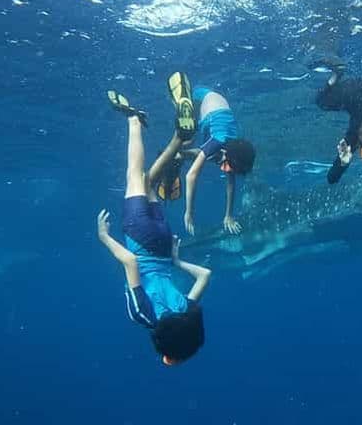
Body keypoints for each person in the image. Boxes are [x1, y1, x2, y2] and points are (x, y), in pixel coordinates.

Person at [97, 90, 212, 366]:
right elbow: (131, 261)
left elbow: (205, 275)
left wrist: (175, 260)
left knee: (147, 182)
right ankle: (134, 120)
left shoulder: (186, 311)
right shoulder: (144, 316)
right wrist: (104, 237)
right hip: (139, 235)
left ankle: (177, 140)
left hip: (163, 241)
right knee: (134, 174)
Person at [166, 72, 256, 236]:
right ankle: (179, 101)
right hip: (202, 100)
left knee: (212, 157)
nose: (226, 170)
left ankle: (181, 154)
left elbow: (230, 183)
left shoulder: (232, 151)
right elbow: (191, 176)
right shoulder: (217, 141)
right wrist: (189, 212)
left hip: (218, 106)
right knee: (187, 139)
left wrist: (228, 215)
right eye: (228, 166)